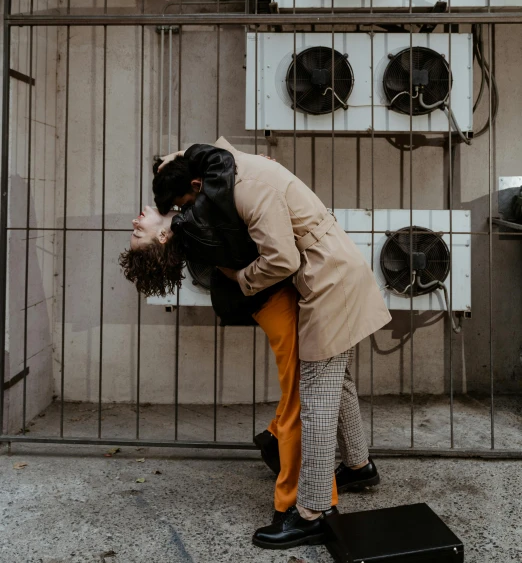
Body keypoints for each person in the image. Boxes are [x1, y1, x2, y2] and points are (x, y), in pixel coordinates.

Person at [155, 139, 391, 550]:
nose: (190, 211)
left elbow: (283, 260)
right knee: (340, 380)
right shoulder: (226, 164)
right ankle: (358, 465)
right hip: (334, 268)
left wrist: (238, 278)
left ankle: (312, 514)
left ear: (197, 182)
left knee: (315, 400)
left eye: (187, 201)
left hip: (327, 280)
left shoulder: (245, 188)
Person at [119, 154, 338, 524]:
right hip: (275, 305)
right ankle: (299, 502)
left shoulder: (194, 220)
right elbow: (223, 172)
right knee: (301, 400)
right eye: (139, 231)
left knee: (300, 394)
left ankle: (279, 443)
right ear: (161, 236)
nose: (136, 219)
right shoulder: (198, 225)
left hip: (273, 302)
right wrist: (238, 166)